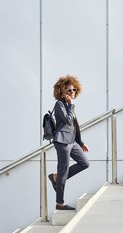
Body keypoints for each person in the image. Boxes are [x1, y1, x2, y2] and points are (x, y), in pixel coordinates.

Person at [48, 75, 90, 210]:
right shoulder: (59, 104)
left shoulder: (69, 105)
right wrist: (70, 105)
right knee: (63, 170)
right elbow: (67, 120)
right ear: (62, 91)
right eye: (68, 90)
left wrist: (81, 142)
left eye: (73, 90)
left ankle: (56, 177)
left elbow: (74, 126)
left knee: (84, 163)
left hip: (72, 142)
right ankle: (59, 203)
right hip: (62, 141)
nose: (72, 93)